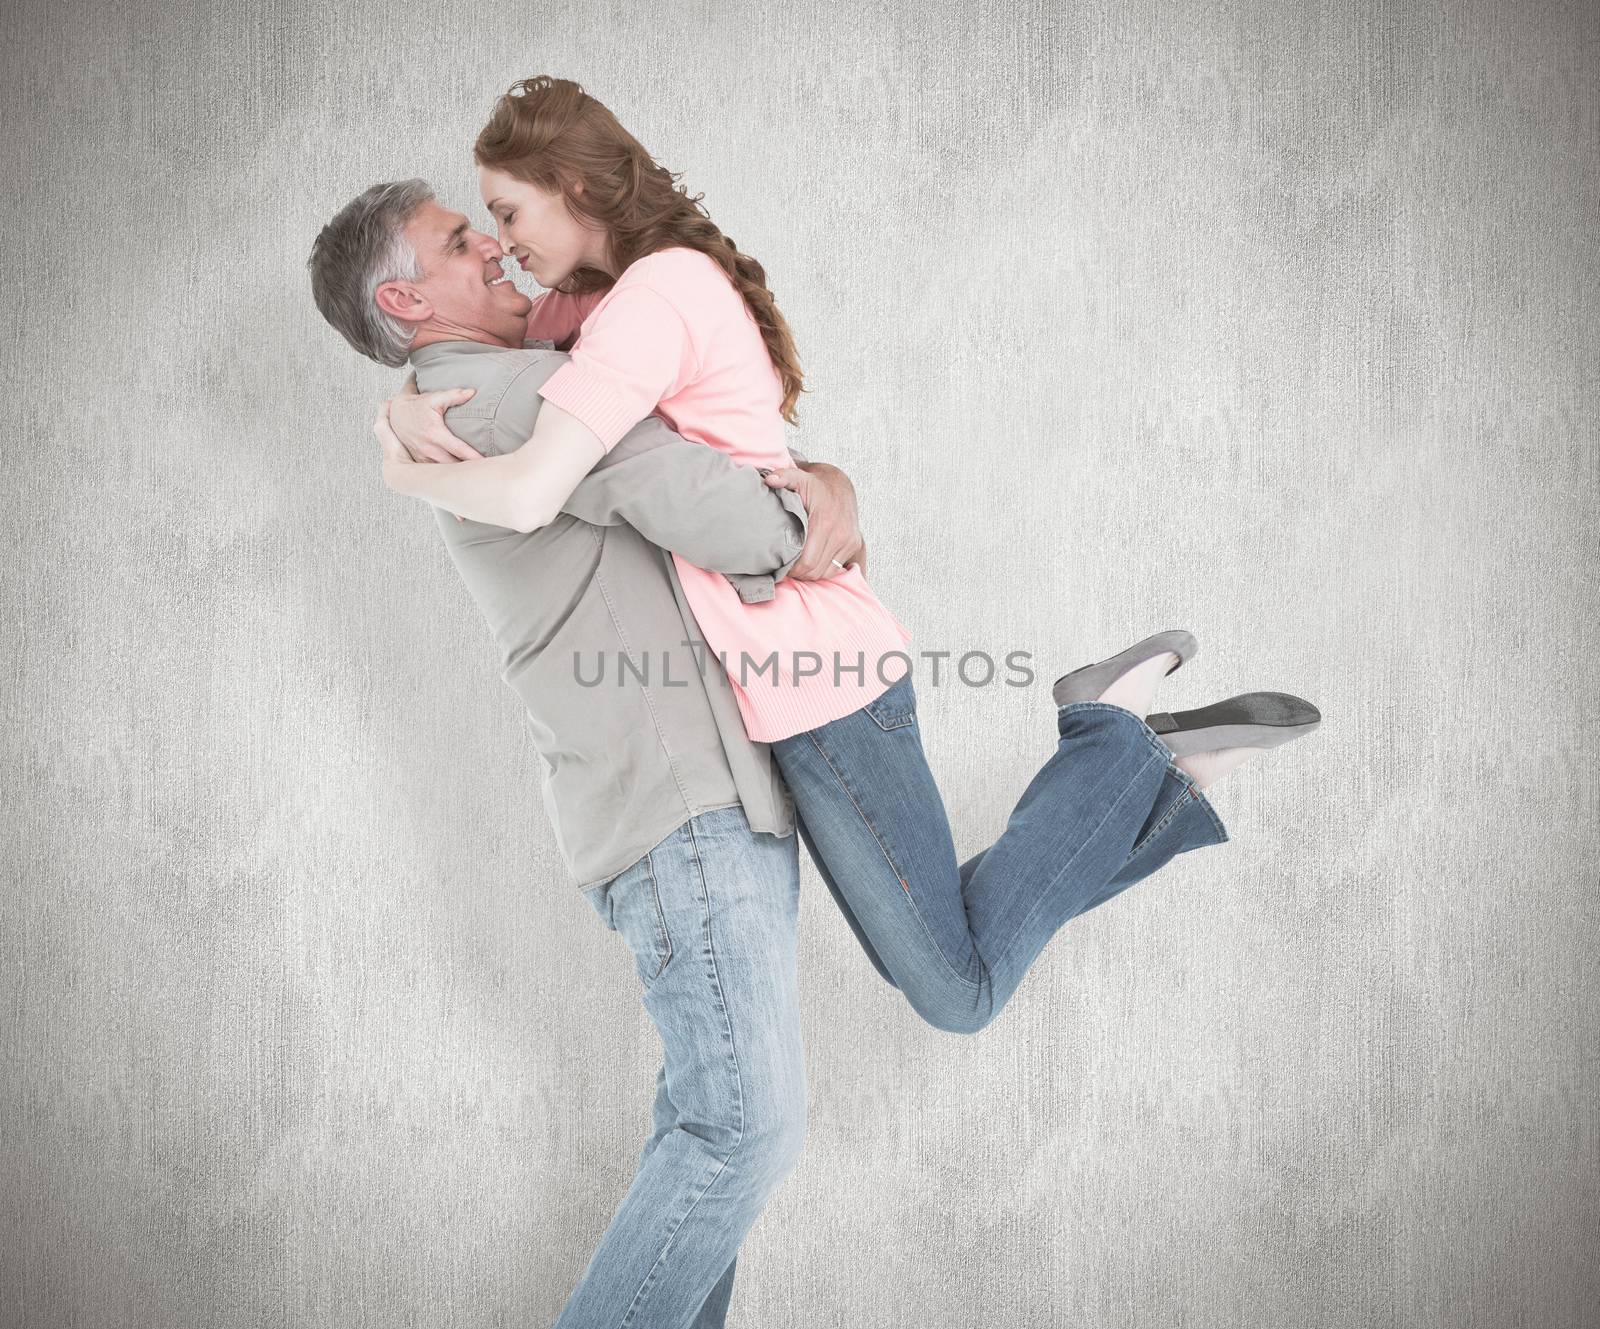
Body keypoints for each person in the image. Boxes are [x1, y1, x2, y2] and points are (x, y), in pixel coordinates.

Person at [308, 179, 868, 1328]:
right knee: (741, 1134)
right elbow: (731, 516)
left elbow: (615, 323)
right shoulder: (513, 396)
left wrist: (826, 490)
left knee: (704, 1136)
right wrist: (817, 512)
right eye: (466, 244)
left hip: (676, 812)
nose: (500, 251)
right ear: (408, 297)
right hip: (683, 814)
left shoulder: (471, 391)